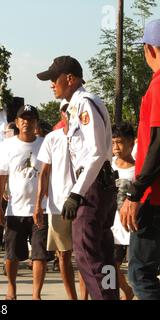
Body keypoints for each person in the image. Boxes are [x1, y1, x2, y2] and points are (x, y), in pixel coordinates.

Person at [37, 56, 118, 300]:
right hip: (99, 185)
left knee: (86, 253)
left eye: (54, 79)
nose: (51, 84)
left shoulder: (84, 103)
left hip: (92, 187)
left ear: (69, 79)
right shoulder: (79, 105)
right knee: (103, 255)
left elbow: (95, 152)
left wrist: (76, 193)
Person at [0, 105, 53, 300]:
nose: (27, 122)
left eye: (31, 119)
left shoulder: (45, 144)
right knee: (11, 254)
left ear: (36, 123)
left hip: (41, 208)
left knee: (39, 254)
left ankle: (36, 294)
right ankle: (11, 288)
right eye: (23, 119)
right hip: (15, 208)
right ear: (17, 122)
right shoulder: (7, 145)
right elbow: (1, 177)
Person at [120, 19, 160, 300]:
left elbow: (158, 143)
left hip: (154, 197)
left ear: (150, 49)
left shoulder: (158, 85)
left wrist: (135, 192)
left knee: (140, 274)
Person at [35, 100, 78, 300]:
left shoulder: (86, 136)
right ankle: (73, 298)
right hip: (58, 205)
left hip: (83, 202)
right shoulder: (52, 138)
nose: (69, 112)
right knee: (64, 255)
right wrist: (38, 204)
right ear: (61, 112)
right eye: (66, 109)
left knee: (86, 256)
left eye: (72, 108)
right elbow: (43, 173)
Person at [111, 123, 135, 300]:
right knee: (110, 267)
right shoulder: (108, 165)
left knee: (136, 269)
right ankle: (123, 291)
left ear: (131, 143)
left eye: (120, 142)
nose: (116, 147)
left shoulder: (139, 169)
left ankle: (132, 290)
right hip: (111, 226)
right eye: (113, 143)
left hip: (133, 227)